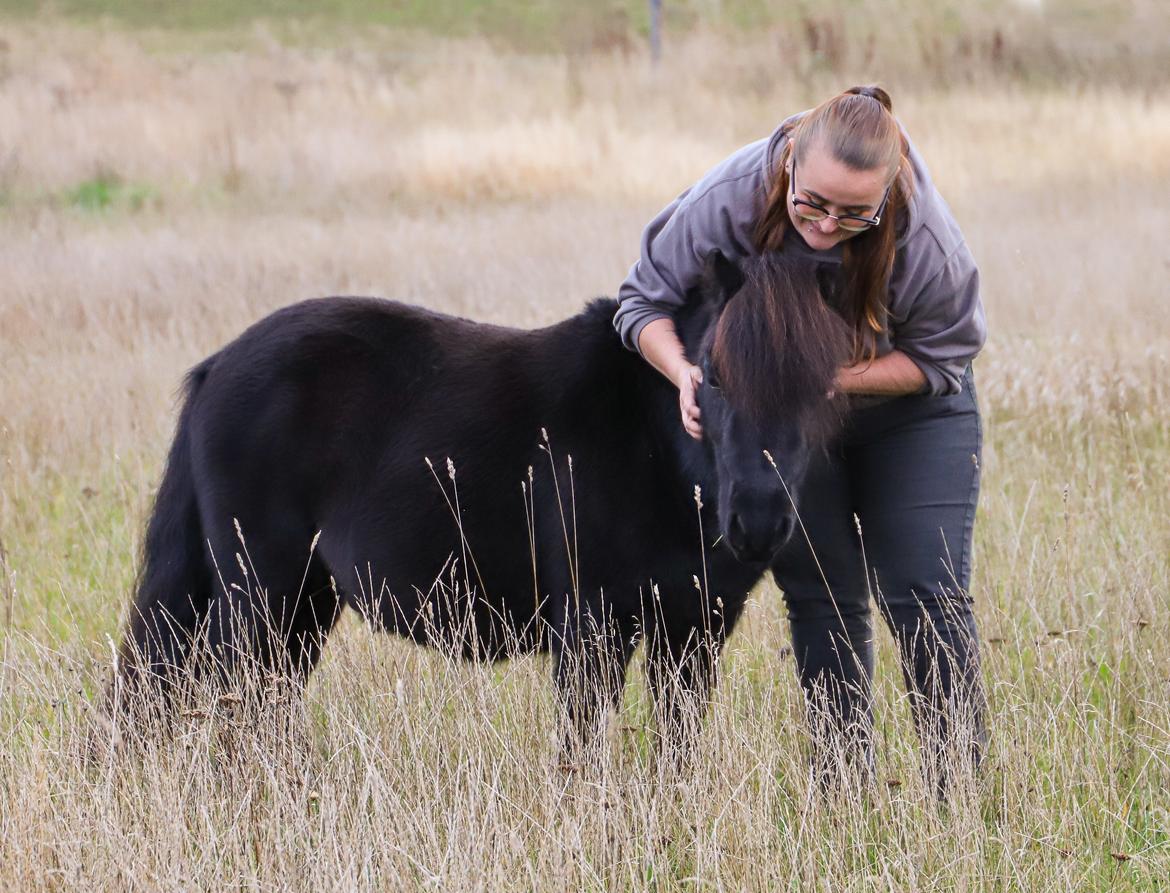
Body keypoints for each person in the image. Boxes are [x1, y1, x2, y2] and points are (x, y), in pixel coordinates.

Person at [613, 85, 986, 791]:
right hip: (786, 417)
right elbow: (642, 303)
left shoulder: (926, 241)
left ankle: (959, 795)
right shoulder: (731, 195)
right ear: (788, 162)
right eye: (811, 202)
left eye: (854, 214)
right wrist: (686, 373)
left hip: (912, 414)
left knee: (924, 591)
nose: (823, 225)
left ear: (888, 195)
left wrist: (837, 379)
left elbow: (944, 358)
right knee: (822, 592)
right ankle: (844, 791)